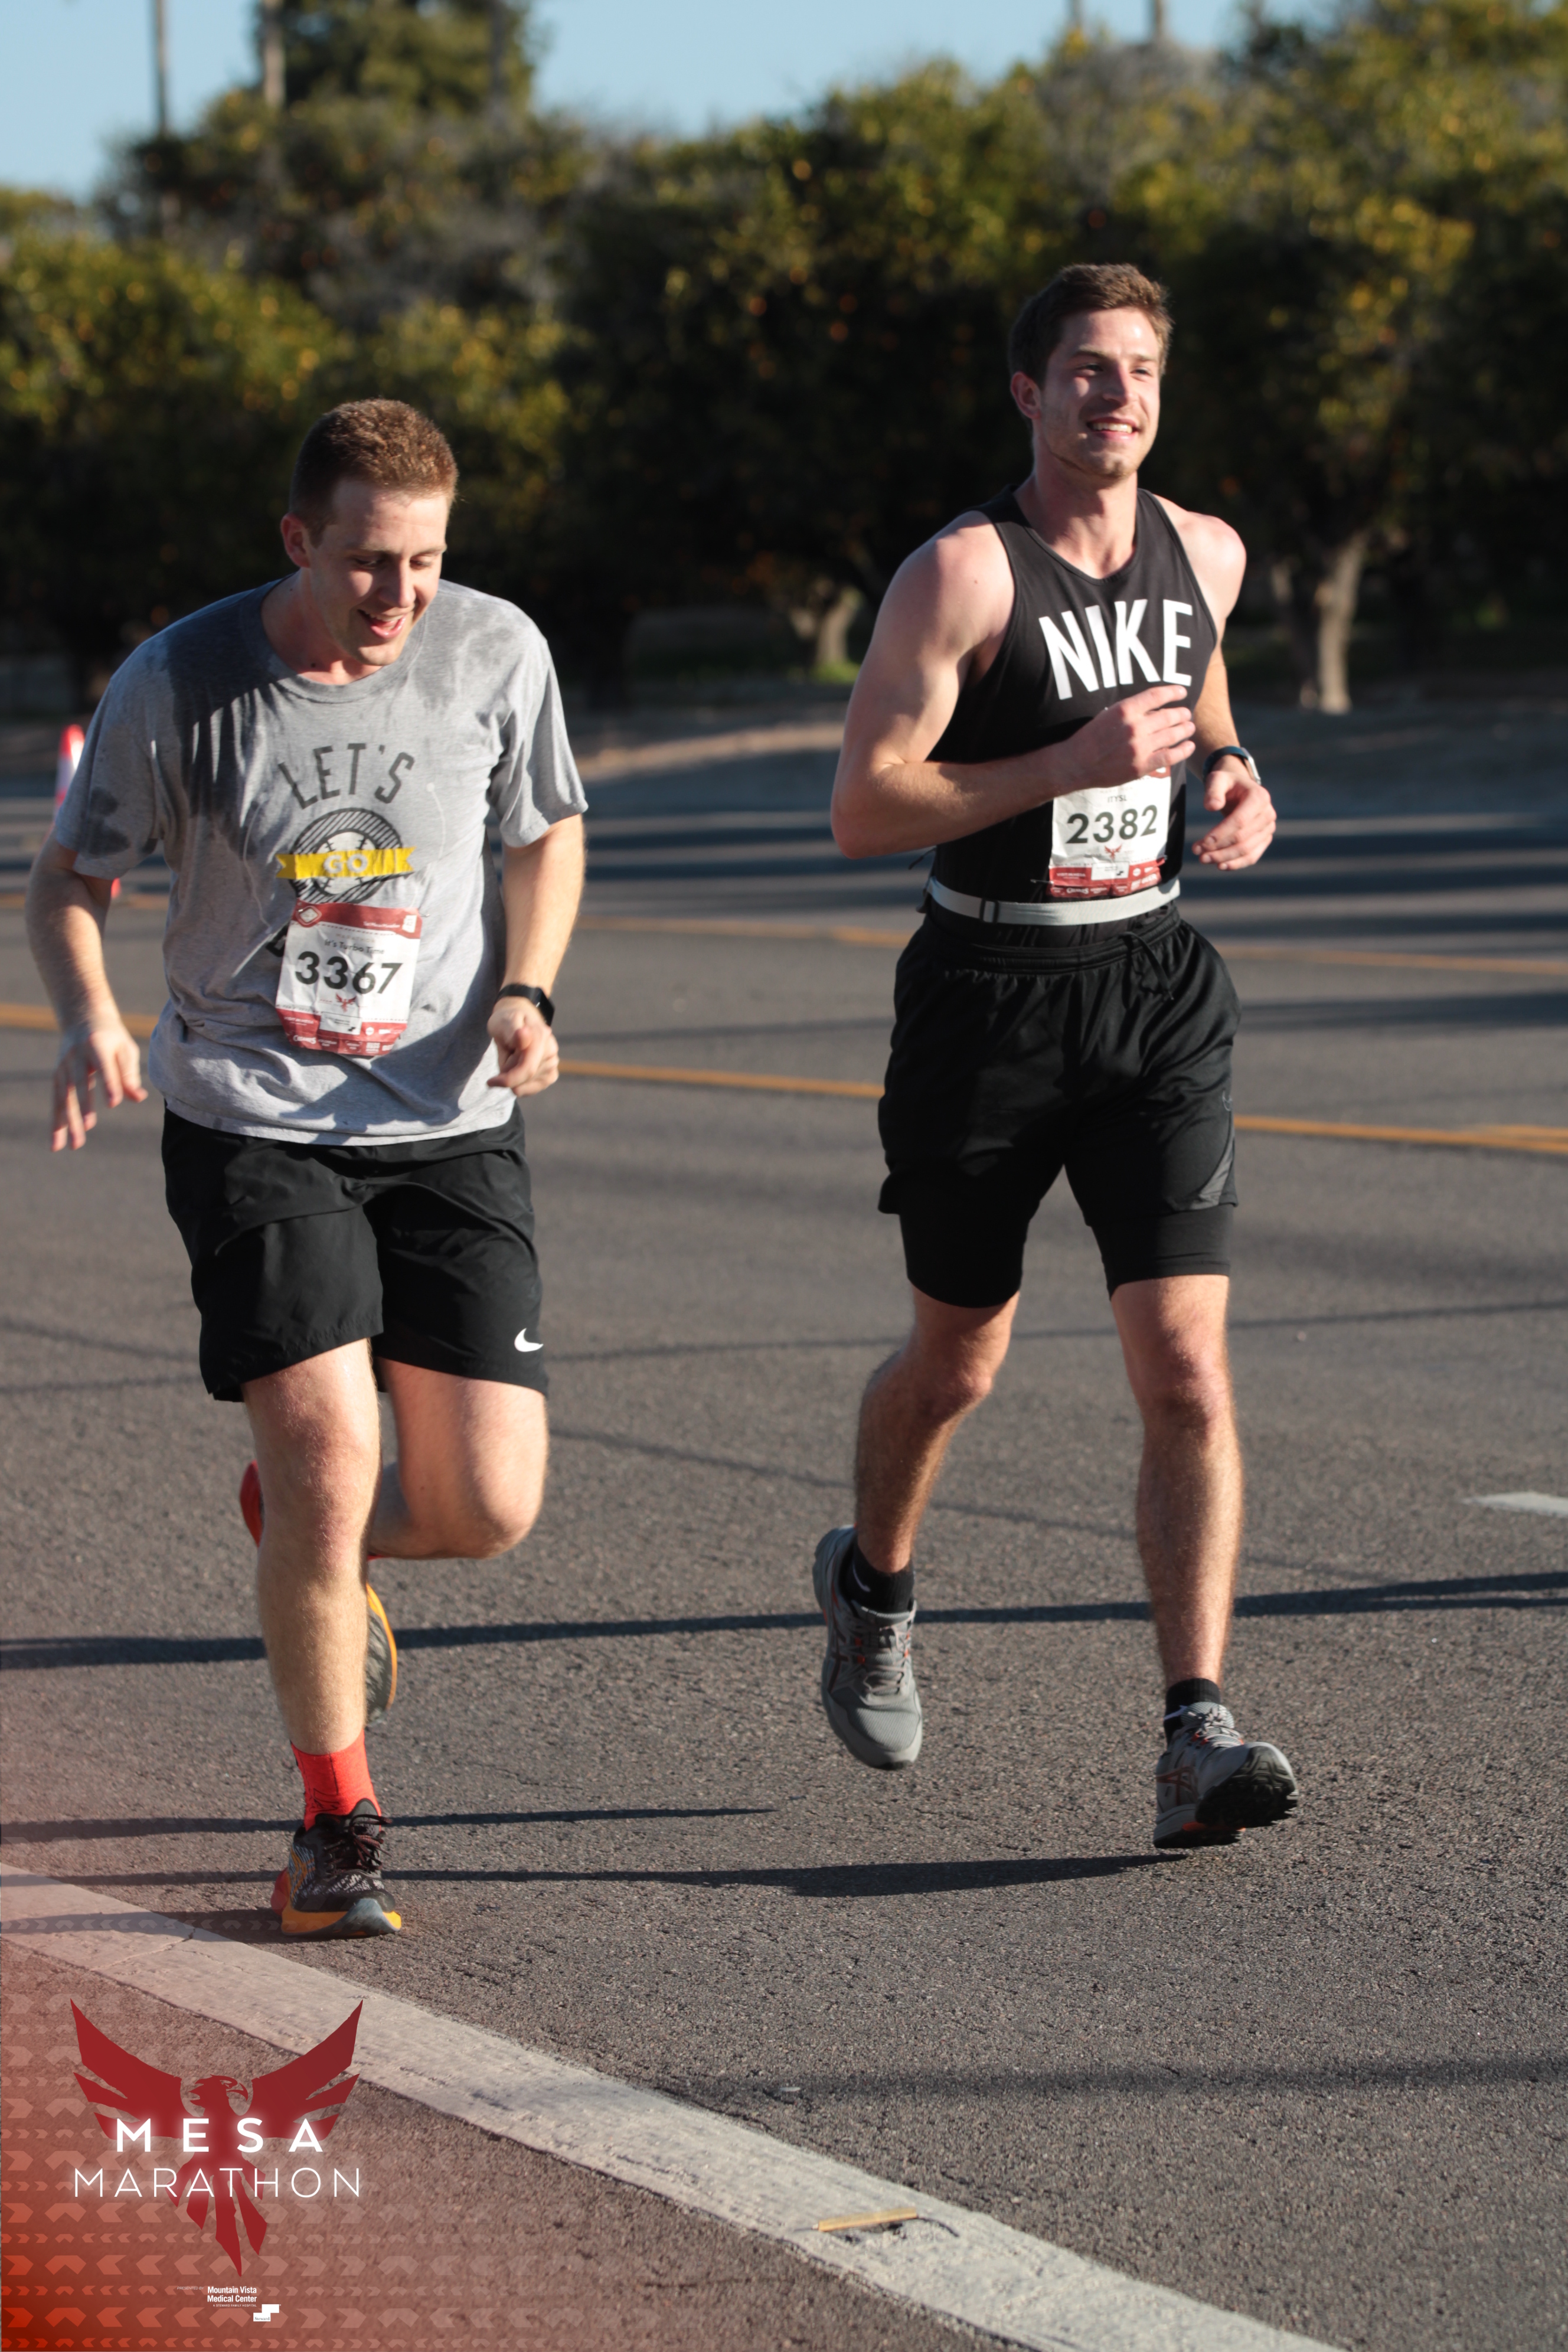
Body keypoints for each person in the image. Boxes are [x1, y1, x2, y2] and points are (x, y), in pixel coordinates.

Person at [28, 400, 586, 1933]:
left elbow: (546, 830)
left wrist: (528, 988)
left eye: (426, 562)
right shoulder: (183, 682)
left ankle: (303, 1531)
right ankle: (338, 1826)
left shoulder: (496, 652)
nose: (400, 595)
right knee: (331, 1452)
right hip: (253, 1115)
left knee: (485, 1505)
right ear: (298, 540)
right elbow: (70, 878)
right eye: (366, 562)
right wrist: (88, 1020)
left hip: (451, 1119)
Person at [815, 263, 1299, 1850]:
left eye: (1141, 370)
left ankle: (1194, 1730)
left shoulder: (1205, 552)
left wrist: (1234, 772)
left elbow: (1203, 696)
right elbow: (864, 806)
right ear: (1029, 393)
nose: (1119, 397)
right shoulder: (962, 575)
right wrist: (1067, 763)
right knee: (958, 1362)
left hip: (1154, 984)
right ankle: (874, 1585)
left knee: (1189, 1369)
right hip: (988, 992)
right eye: (1088, 370)